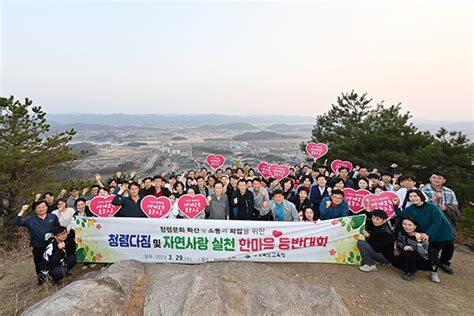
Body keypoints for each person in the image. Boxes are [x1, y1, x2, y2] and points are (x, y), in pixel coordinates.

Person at [394, 189, 454, 278]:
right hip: (427, 232)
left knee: (443, 249)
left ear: (421, 196)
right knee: (429, 251)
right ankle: (427, 267)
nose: (413, 198)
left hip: (441, 232)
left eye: (415, 196)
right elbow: (402, 215)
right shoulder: (411, 208)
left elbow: (437, 222)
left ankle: (441, 265)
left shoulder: (432, 207)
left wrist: (427, 234)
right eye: (411, 197)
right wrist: (395, 205)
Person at [15, 201, 60, 285]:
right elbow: (17, 222)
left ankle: (54, 278)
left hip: (52, 244)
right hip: (38, 246)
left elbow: (58, 228)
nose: (41, 209)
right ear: (35, 209)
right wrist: (22, 210)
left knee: (53, 261)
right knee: (39, 263)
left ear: (47, 207)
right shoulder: (30, 220)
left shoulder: (53, 217)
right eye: (38, 207)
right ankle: (41, 280)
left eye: (43, 207)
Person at [391, 217, 433, 282]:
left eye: (410, 225)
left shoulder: (422, 237)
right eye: (404, 224)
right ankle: (413, 267)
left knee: (411, 253)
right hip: (407, 255)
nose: (406, 227)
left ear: (415, 226)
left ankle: (410, 272)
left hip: (422, 259)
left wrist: (419, 242)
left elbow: (424, 253)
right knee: (394, 261)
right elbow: (399, 242)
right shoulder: (402, 233)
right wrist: (404, 247)